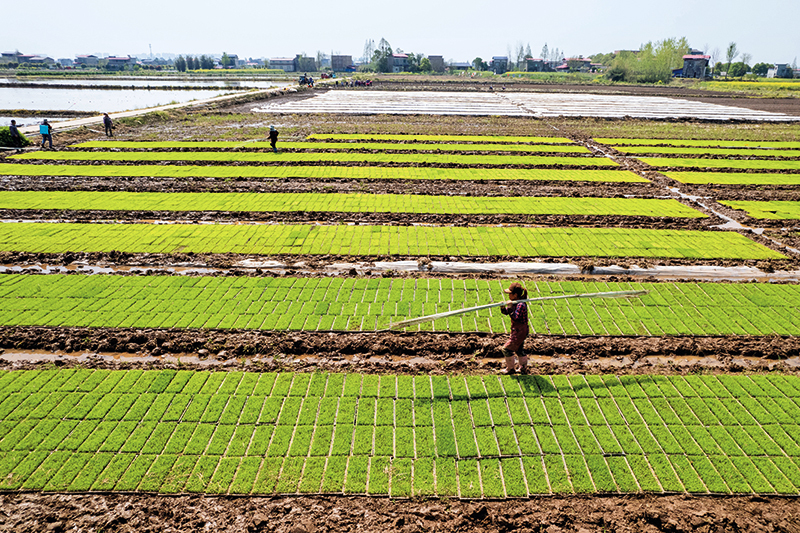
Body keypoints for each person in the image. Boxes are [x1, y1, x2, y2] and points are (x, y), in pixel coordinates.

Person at [499, 282, 529, 374]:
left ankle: (510, 369)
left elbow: (516, 317)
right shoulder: (515, 303)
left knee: (506, 349)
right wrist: (503, 308)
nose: (508, 296)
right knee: (519, 349)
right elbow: (507, 312)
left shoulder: (521, 305)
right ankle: (523, 369)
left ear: (515, 295)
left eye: (510, 294)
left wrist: (510, 307)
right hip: (517, 330)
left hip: (520, 332)